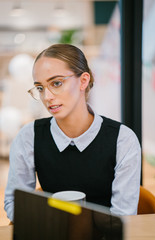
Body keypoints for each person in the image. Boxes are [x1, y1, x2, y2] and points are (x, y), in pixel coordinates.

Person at [4, 44, 141, 222]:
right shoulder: (29, 136)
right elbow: (15, 201)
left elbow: (123, 215)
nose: (47, 97)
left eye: (57, 83)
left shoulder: (123, 140)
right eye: (40, 88)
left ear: (83, 81)